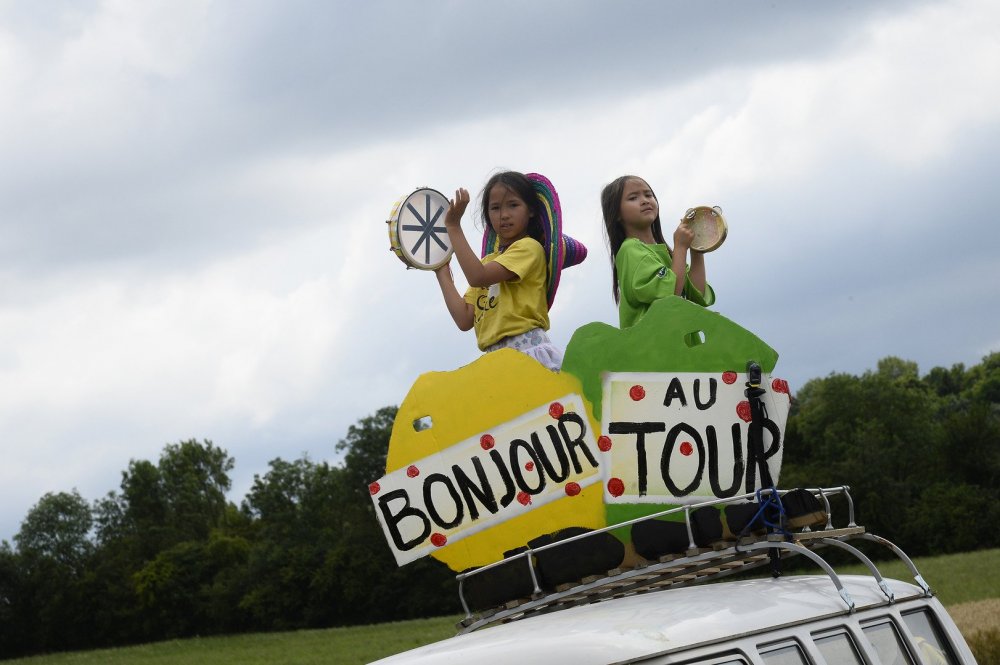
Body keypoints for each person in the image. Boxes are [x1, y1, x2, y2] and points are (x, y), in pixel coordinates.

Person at [434, 171, 586, 371]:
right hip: (495, 361)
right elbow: (464, 318)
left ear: (531, 210)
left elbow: (477, 276)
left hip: (528, 354)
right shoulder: (488, 262)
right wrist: (440, 270)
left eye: (513, 205)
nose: (504, 215)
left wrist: (453, 227)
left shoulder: (529, 248)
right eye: (495, 208)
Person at [601, 175, 715, 329]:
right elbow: (671, 296)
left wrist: (696, 248)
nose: (645, 200)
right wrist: (681, 247)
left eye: (648, 195)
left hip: (678, 348)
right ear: (617, 214)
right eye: (633, 198)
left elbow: (698, 294)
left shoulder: (666, 253)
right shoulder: (630, 250)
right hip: (654, 351)